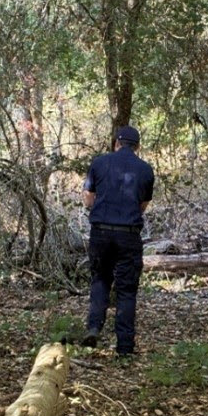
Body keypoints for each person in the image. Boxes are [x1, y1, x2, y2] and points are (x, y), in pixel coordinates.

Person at [81, 125, 154, 356]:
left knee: (100, 279)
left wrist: (100, 208)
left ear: (116, 143)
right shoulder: (145, 169)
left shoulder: (99, 163)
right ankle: (124, 347)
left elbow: (88, 198)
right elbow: (143, 206)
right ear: (137, 147)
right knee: (126, 290)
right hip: (129, 235)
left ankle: (93, 327)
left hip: (100, 232)